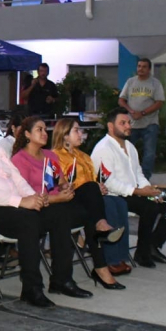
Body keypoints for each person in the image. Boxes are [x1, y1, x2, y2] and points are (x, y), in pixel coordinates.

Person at [0, 108, 90, 307]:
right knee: (28, 219)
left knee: (60, 213)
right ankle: (31, 288)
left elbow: (17, 179)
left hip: (16, 205)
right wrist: (21, 201)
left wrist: (33, 197)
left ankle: (62, 279)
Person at [11, 117, 124, 290]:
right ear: (27, 134)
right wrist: (58, 198)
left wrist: (66, 188)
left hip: (59, 202)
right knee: (79, 214)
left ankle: (99, 260)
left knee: (91, 192)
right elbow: (25, 194)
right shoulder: (20, 159)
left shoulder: (49, 155)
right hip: (39, 207)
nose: (44, 133)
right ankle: (89, 270)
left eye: (45, 129)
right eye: (39, 130)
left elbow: (61, 181)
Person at [91, 108, 166, 267]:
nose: (128, 126)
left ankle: (152, 246)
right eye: (123, 123)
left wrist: (149, 190)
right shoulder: (104, 149)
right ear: (111, 126)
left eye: (129, 122)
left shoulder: (129, 146)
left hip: (135, 193)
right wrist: (139, 192)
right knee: (150, 207)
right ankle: (142, 253)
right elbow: (108, 183)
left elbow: (138, 173)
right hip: (115, 197)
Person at [52, 118, 132, 276]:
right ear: (65, 135)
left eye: (80, 130)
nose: (81, 134)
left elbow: (93, 179)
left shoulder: (83, 156)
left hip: (89, 196)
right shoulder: (55, 156)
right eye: (76, 130)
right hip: (70, 197)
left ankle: (121, 256)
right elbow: (60, 183)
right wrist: (93, 186)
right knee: (96, 193)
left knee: (118, 202)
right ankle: (102, 228)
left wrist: (99, 186)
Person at [118, 58, 165, 180]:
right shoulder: (130, 82)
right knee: (126, 151)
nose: (141, 69)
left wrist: (143, 113)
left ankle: (144, 179)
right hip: (131, 124)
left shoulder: (155, 83)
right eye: (139, 66)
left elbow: (159, 102)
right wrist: (131, 111)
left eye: (144, 67)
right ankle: (127, 177)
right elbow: (121, 100)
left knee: (149, 154)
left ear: (149, 69)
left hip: (150, 124)